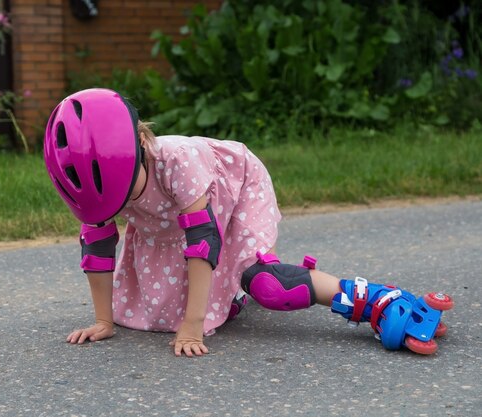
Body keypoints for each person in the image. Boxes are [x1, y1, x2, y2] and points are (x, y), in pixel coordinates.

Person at [43, 88, 453, 357]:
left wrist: (192, 326)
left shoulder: (176, 161)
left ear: (142, 142)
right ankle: (230, 296)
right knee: (156, 308)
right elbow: (97, 248)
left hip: (234, 187)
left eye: (126, 188)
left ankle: (378, 300)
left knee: (268, 286)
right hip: (165, 221)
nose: (120, 203)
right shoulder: (89, 185)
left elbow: (201, 243)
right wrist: (103, 320)